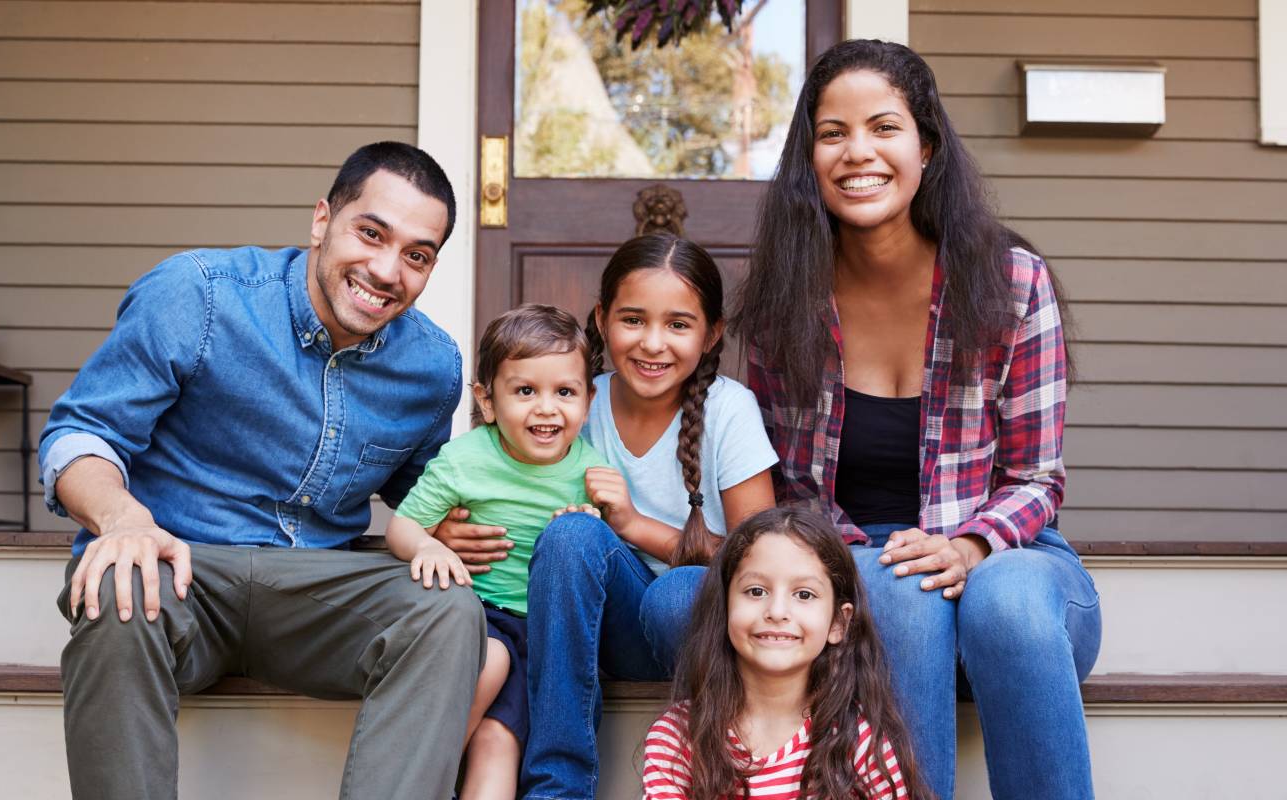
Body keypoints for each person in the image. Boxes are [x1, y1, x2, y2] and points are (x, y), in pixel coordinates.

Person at [654, 40, 1104, 799]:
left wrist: (967, 544)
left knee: (1010, 602)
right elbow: (789, 486)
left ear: (925, 146)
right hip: (855, 562)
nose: (857, 152)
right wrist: (861, 557)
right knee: (893, 587)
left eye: (883, 127)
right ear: (810, 157)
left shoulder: (1011, 282)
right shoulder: (782, 301)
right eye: (832, 134)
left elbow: (1036, 477)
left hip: (1006, 555)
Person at [38, 141, 484, 800]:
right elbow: (79, 436)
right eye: (370, 233)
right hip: (184, 570)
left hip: (320, 595)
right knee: (114, 583)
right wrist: (120, 518)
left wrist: (455, 524)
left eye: (416, 256)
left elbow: (418, 494)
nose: (387, 270)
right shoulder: (200, 295)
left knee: (447, 609)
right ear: (321, 220)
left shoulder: (432, 366)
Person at [434, 234, 777, 799]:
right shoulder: (570, 400)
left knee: (679, 594)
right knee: (571, 535)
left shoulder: (729, 409)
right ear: (602, 318)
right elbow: (488, 484)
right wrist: (449, 532)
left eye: (678, 325)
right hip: (587, 624)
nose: (652, 343)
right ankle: (557, 787)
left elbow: (764, 564)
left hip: (694, 632)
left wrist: (636, 526)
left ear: (712, 333)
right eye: (633, 319)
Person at [386, 304, 610, 800]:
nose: (547, 408)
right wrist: (427, 544)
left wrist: (594, 522)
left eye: (565, 392)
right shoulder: (465, 459)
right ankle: (422, 779)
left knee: (498, 740)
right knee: (488, 660)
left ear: (588, 401)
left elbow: (602, 562)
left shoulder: (592, 471)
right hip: (476, 615)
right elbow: (401, 527)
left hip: (547, 637)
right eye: (525, 391)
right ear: (487, 401)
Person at [640, 506, 930, 800]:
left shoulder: (860, 738)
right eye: (756, 591)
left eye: (804, 594)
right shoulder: (678, 736)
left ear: (838, 623)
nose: (777, 611)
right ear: (724, 607)